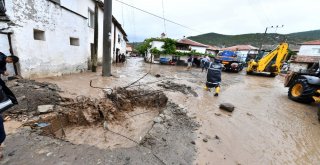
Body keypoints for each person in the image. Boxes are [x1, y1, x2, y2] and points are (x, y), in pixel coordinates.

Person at [0, 52, 19, 160]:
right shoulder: (1, 57)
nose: (9, 63)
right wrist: (3, 72)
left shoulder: (3, 61)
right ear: (10, 58)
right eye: (11, 61)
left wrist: (3, 72)